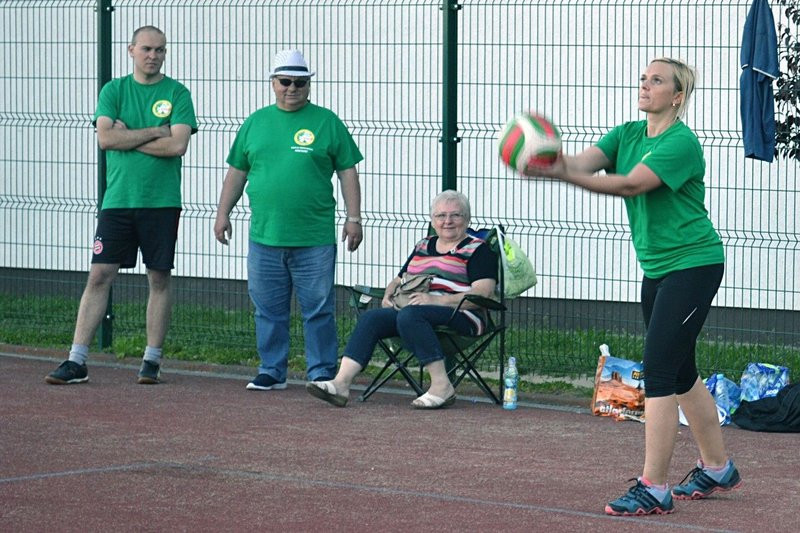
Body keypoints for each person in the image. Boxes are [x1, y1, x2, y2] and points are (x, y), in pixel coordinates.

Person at [523, 58, 741, 515]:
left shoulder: (681, 143)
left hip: (694, 264)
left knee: (658, 372)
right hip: (658, 268)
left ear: (677, 97)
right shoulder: (627, 133)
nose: (645, 85)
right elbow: (586, 162)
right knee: (680, 373)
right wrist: (549, 157)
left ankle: (654, 487)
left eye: (656, 80)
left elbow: (628, 185)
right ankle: (718, 467)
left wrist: (559, 172)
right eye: (644, 78)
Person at [45, 26, 197, 386]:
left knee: (158, 277)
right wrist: (154, 131)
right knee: (99, 275)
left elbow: (177, 146)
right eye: (146, 49)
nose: (154, 56)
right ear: (131, 50)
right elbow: (105, 138)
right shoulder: (114, 90)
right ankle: (77, 360)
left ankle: (151, 360)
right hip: (118, 202)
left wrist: (129, 137)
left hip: (161, 202)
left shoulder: (177, 93)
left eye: (160, 50)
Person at [214, 50, 363, 391]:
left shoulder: (327, 122)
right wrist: (223, 213)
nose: (292, 88)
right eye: (286, 81)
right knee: (267, 308)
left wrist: (353, 218)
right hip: (265, 235)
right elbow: (237, 172)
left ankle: (322, 372)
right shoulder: (255, 122)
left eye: (300, 82)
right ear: (273, 83)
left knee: (319, 308)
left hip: (314, 237)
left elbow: (348, 172)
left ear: (309, 84)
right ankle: (272, 369)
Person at [305, 190, 498, 409]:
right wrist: (389, 294)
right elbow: (399, 279)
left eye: (456, 215)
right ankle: (341, 384)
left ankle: (441, 386)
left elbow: (483, 294)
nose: (448, 221)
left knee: (410, 315)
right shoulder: (424, 245)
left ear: (467, 218)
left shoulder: (478, 250)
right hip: (417, 313)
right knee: (373, 318)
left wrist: (437, 301)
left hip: (463, 315)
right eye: (441, 216)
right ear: (433, 220)